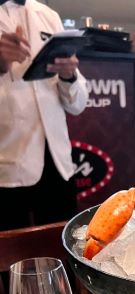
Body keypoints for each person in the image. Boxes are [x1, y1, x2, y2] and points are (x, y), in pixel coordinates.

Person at [0, 0, 88, 230]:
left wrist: (69, 76)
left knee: (61, 252)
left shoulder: (47, 15)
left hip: (58, 166)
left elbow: (78, 104)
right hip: (7, 172)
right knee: (10, 259)